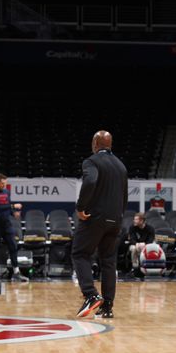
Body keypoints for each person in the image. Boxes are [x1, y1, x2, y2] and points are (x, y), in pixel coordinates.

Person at [72, 130, 128, 319]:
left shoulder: (92, 161)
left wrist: (81, 207)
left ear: (95, 143)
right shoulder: (121, 166)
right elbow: (124, 196)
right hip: (116, 219)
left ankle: (91, 294)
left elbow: (90, 180)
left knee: (80, 253)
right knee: (108, 262)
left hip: (95, 218)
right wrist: (119, 216)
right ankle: (107, 307)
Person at [0, 174, 28, 282]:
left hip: (7, 225)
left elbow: (6, 207)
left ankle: (16, 272)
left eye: (5, 183)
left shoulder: (6, 192)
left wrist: (13, 213)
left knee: (13, 246)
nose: (4, 185)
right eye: (2, 183)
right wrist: (13, 206)